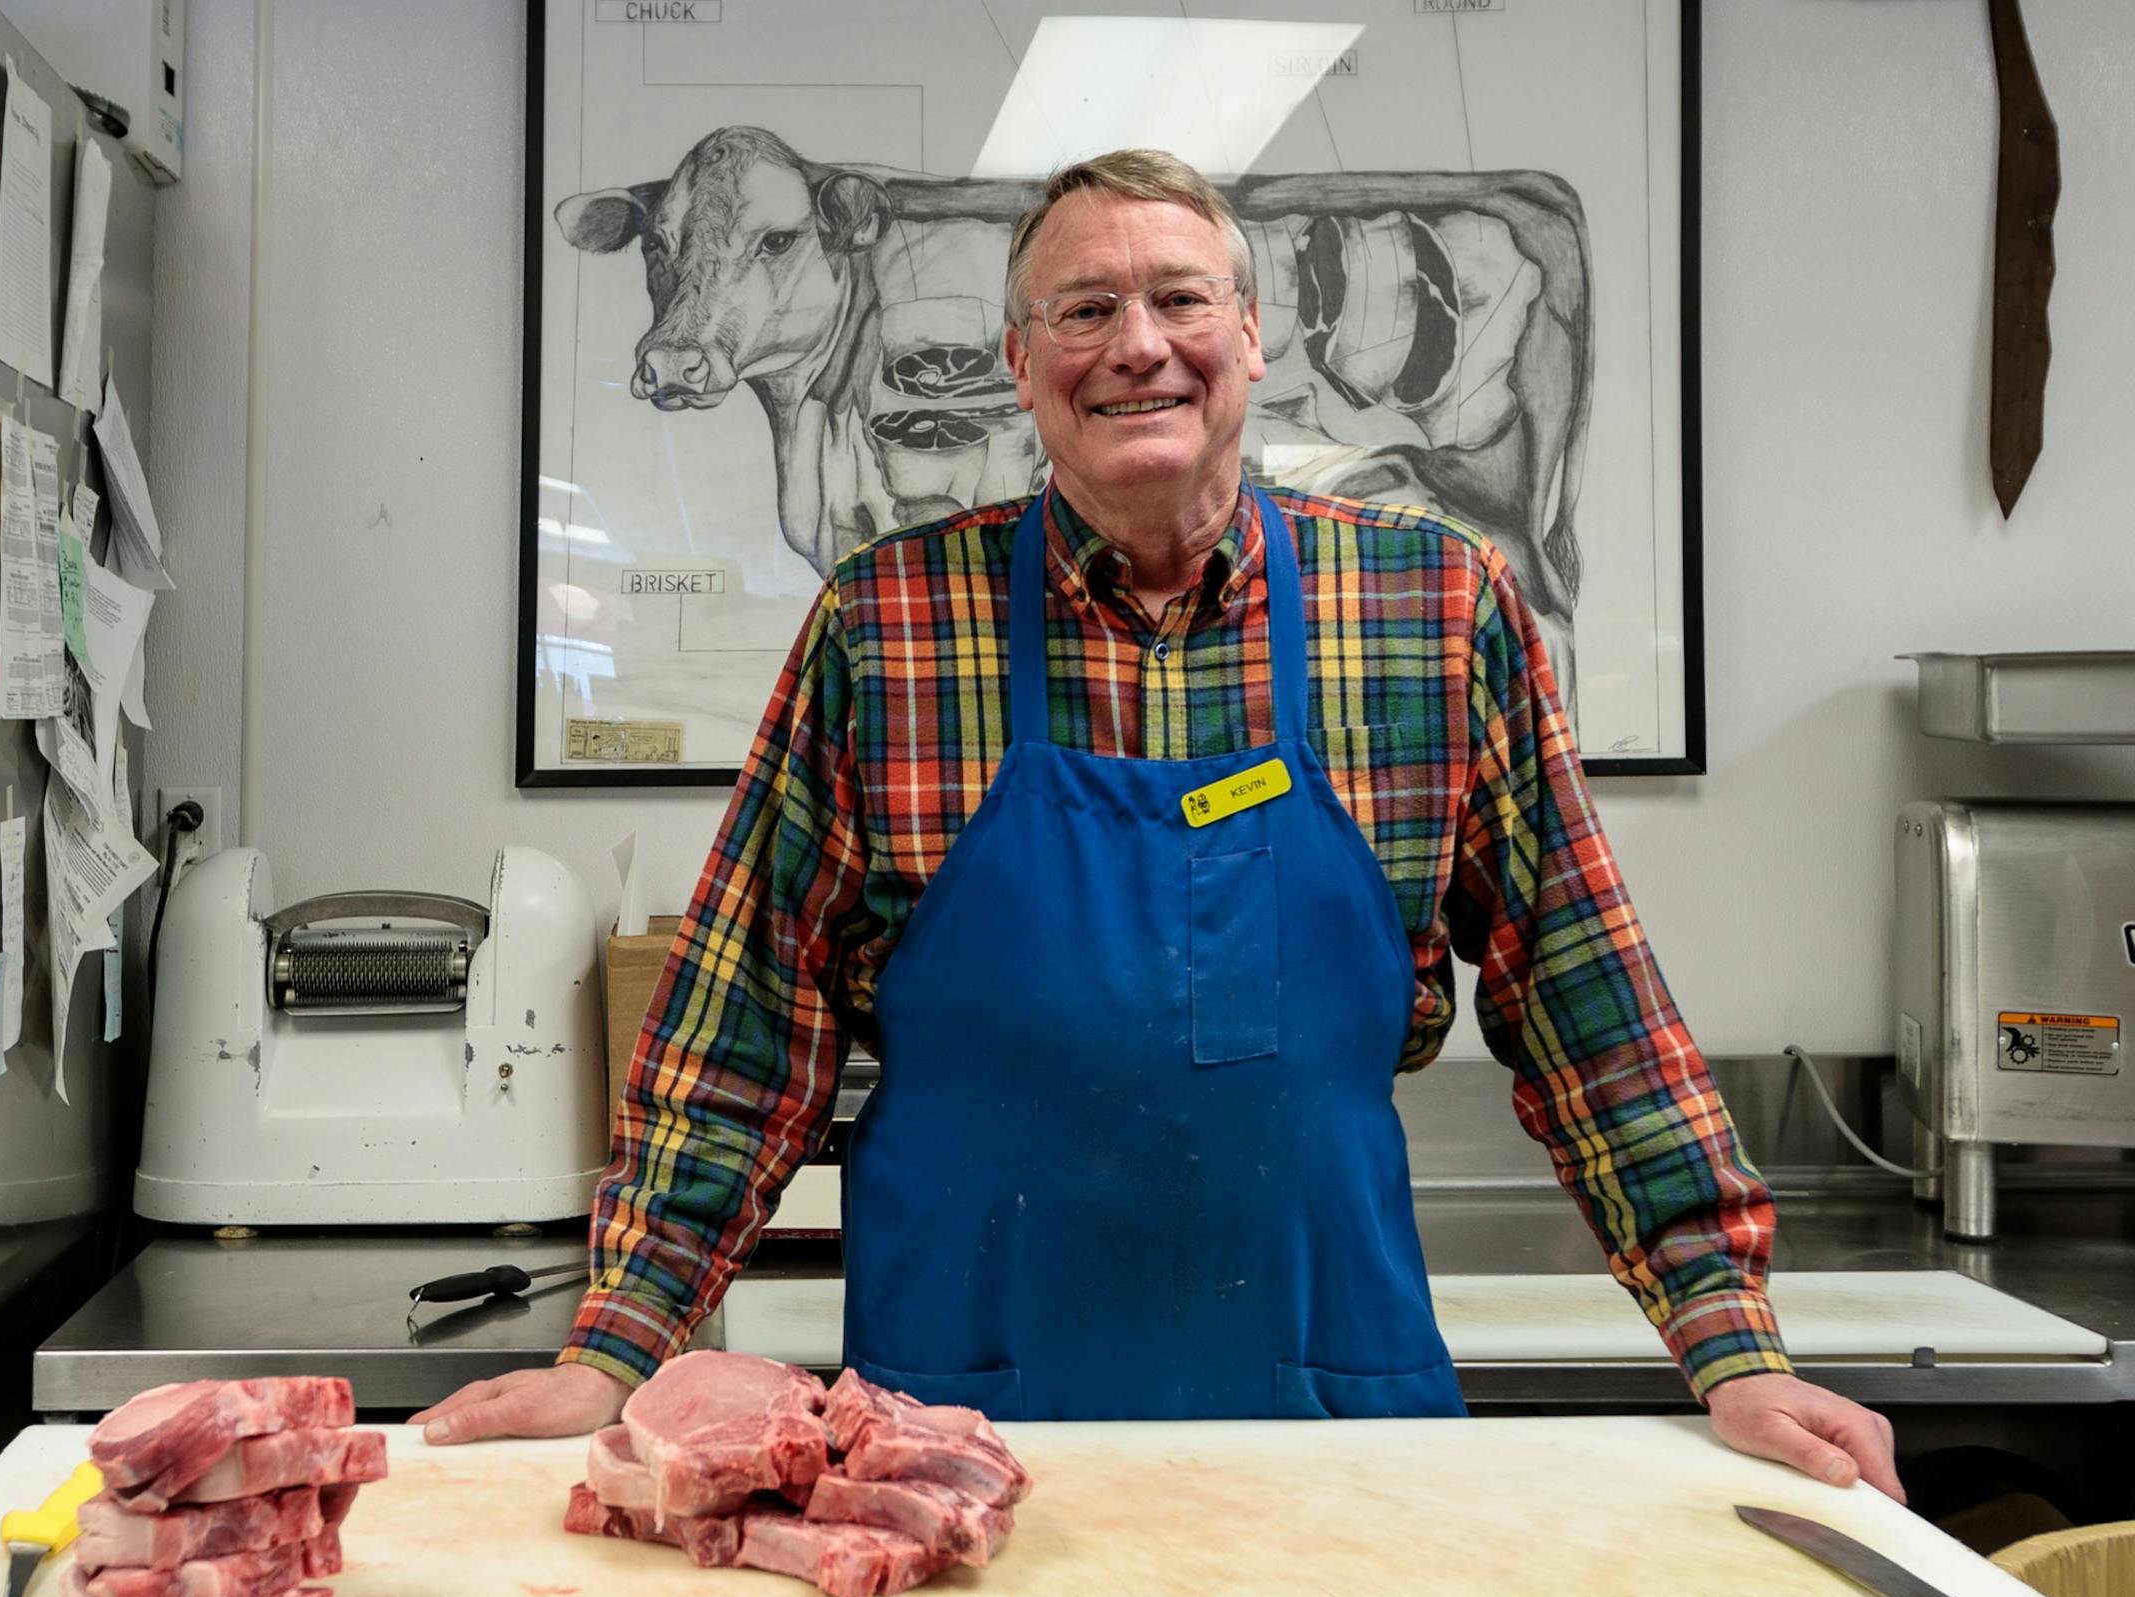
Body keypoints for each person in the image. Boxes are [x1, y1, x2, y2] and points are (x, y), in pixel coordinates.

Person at [415, 150, 1901, 1500]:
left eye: (1180, 298)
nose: (1137, 343)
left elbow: (1594, 1016)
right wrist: (607, 1353)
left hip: (1335, 1420)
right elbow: (739, 1042)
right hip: (957, 1431)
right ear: (1020, 364)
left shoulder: (1437, 613)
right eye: (1082, 309)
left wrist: (1738, 1348)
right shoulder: (885, 627)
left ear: (1252, 339)